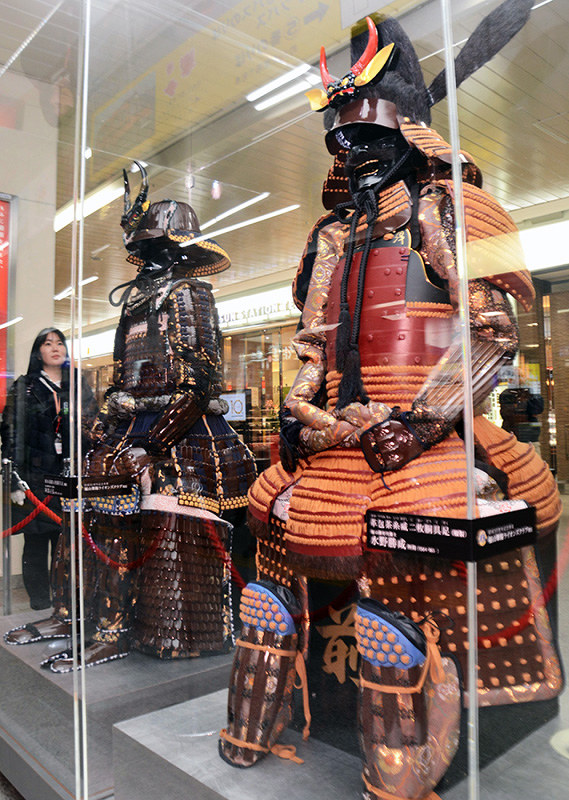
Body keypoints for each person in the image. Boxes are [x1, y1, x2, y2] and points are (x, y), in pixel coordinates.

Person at [219, 8, 563, 799]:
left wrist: (414, 425)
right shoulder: (331, 234)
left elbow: (491, 332)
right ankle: (259, 718)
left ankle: (400, 766)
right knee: (271, 549)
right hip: (338, 435)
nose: (355, 151)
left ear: (414, 133)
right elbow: (313, 347)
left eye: (370, 135)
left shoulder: (455, 208)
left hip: (426, 428)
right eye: (342, 139)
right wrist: (302, 421)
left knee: (408, 572)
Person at [37, 167, 257, 672]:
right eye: (148, 246)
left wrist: (155, 442)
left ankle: (130, 628)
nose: (152, 256)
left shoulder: (190, 294)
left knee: (153, 522)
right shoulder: (135, 300)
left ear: (178, 248)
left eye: (160, 245)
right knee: (83, 509)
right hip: (132, 423)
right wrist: (109, 417)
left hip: (180, 431)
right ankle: (76, 614)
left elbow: (200, 380)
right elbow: (122, 371)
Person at [0, 328, 96, 609]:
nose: (55, 348)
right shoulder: (25, 386)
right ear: (38, 351)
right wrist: (13, 479)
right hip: (35, 475)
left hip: (71, 474)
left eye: (59, 343)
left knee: (68, 540)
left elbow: (91, 427)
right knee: (37, 540)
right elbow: (11, 433)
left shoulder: (78, 384)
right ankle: (40, 600)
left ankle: (67, 599)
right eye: (47, 343)